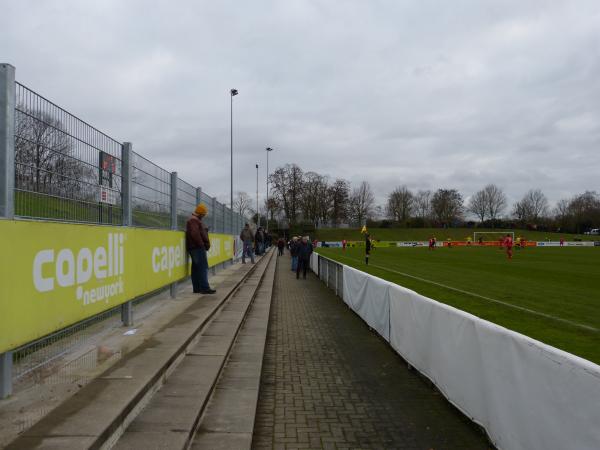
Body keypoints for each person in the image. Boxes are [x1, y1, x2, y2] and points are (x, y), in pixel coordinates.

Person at [186, 203, 215, 294]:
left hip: (193, 247)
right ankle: (205, 288)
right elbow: (195, 234)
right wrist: (202, 244)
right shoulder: (194, 220)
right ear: (201, 213)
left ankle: (197, 288)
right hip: (197, 247)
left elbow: (196, 232)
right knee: (203, 267)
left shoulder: (193, 220)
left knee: (196, 268)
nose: (204, 216)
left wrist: (204, 230)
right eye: (204, 214)